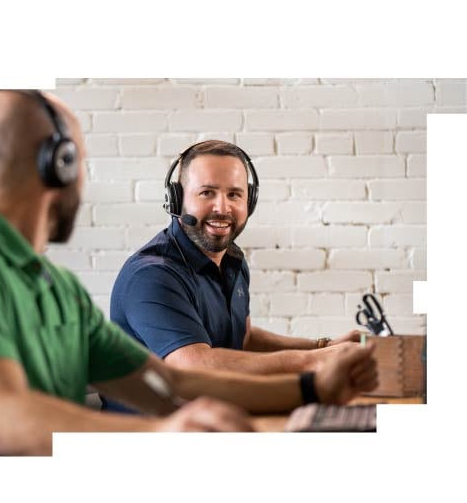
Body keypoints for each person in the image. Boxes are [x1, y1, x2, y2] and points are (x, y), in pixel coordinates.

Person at [0, 91, 377, 455]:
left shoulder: (58, 289)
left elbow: (166, 384)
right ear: (60, 165)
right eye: (82, 160)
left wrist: (311, 386)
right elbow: (5, 423)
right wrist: (162, 435)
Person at [110, 140, 364, 411]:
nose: (222, 208)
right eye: (207, 192)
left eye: (234, 194)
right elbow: (197, 366)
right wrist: (317, 360)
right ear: (177, 198)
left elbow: (242, 338)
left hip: (214, 420)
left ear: (249, 202)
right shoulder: (152, 275)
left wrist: (322, 346)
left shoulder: (232, 260)